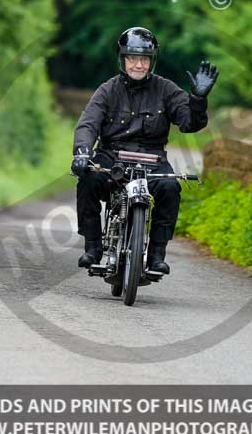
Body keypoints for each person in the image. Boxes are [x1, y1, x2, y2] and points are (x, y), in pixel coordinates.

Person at [71, 26, 218, 274]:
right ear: (122, 59)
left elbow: (189, 123)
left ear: (152, 61)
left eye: (144, 59)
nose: (138, 65)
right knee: (88, 180)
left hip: (153, 159)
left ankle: (157, 255)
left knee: (171, 187)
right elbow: (88, 123)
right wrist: (82, 153)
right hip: (112, 156)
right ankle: (93, 246)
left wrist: (198, 100)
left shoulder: (166, 89)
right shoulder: (107, 90)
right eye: (132, 58)